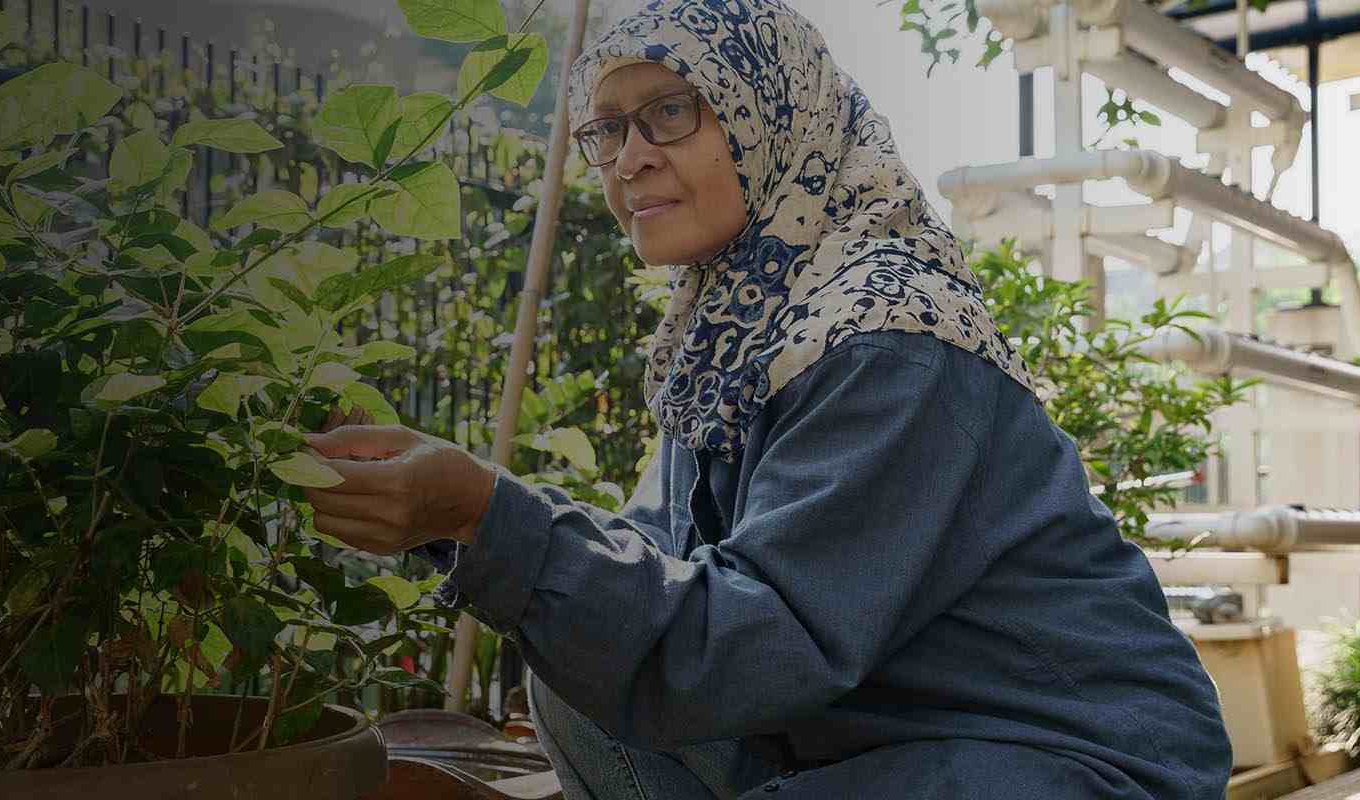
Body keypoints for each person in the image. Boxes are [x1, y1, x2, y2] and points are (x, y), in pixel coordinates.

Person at [300, 0, 1234, 796]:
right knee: (579, 687)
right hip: (881, 740)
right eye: (609, 128)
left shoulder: (885, 332)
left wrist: (488, 511)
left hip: (1072, 758)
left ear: (774, 112)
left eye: (669, 112)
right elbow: (657, 575)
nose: (629, 159)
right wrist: (462, 519)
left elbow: (762, 639)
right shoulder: (736, 331)